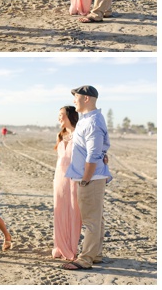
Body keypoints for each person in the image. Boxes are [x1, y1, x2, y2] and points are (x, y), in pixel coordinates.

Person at [63, 86, 112, 270]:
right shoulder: (88, 119)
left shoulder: (92, 122)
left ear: (86, 98)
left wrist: (85, 179)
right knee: (95, 218)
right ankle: (96, 254)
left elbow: (93, 154)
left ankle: (86, 259)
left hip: (91, 177)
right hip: (92, 175)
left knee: (90, 220)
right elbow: (97, 148)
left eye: (76, 97)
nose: (74, 100)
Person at [53, 105, 81, 260]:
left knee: (73, 212)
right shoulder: (60, 135)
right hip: (59, 178)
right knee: (59, 211)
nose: (59, 118)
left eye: (61, 115)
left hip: (73, 179)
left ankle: (70, 247)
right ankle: (59, 245)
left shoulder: (79, 135)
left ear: (70, 116)